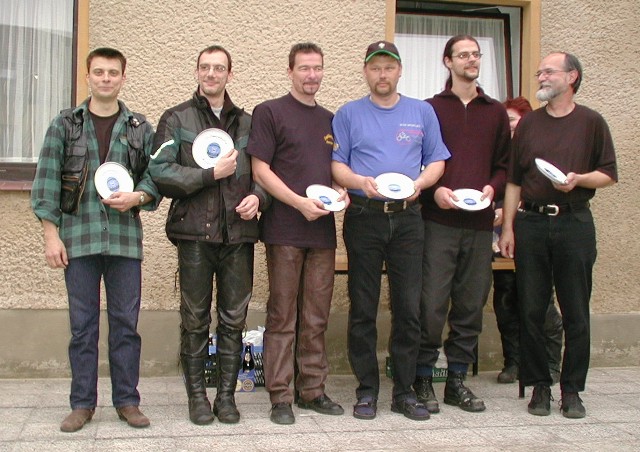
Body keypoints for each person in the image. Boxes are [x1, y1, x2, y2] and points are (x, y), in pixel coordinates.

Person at [31, 47, 158, 432]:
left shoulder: (140, 128)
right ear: (88, 77)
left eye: (113, 72)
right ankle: (82, 403)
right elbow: (46, 181)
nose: (106, 78)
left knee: (126, 326)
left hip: (124, 241)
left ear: (123, 77)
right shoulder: (65, 125)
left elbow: (156, 176)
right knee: (82, 327)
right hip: (79, 240)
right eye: (99, 72)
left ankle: (127, 401)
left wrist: (138, 197)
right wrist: (51, 236)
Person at [148, 45, 269, 425]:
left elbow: (266, 172)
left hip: (238, 235)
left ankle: (227, 398)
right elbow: (160, 172)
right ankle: (198, 398)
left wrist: (259, 197)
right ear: (197, 72)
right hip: (194, 236)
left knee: (234, 319)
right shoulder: (176, 118)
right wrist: (207, 175)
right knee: (195, 319)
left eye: (219, 68)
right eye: (205, 67)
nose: (212, 74)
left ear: (230, 74)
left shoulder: (249, 123)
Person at [332, 41, 450, 421]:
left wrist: (420, 184)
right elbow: (337, 165)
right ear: (366, 72)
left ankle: (404, 391)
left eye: (388, 67)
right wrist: (358, 182)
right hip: (364, 217)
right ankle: (367, 390)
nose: (382, 74)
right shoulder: (348, 113)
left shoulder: (422, 112)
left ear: (400, 71)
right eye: (375, 67)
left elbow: (436, 161)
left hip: (408, 219)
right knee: (363, 308)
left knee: (409, 308)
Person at [499, 52, 617, 418]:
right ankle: (539, 386)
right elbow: (514, 180)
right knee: (531, 308)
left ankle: (572, 390)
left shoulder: (591, 122)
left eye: (549, 71)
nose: (541, 77)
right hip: (532, 224)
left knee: (576, 311)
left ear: (571, 76)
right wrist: (508, 228)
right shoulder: (530, 124)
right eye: (540, 72)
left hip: (574, 223)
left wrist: (580, 180)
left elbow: (608, 174)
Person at [248, 42, 346, 425]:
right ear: (289, 71)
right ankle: (280, 396)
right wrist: (298, 203)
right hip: (285, 229)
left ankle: (312, 390)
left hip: (322, 232)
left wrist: (341, 192)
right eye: (304, 68)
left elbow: (334, 169)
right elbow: (261, 171)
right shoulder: (270, 112)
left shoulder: (330, 119)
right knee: (283, 316)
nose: (311, 75)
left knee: (316, 316)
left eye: (317, 68)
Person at [415, 35, 510, 414]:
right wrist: (433, 190)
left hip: (479, 224)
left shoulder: (496, 111)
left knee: (470, 306)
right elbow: (416, 161)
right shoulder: (430, 109)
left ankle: (456, 381)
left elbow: (504, 165)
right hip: (437, 222)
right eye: (463, 55)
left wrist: (493, 188)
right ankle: (423, 377)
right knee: (431, 305)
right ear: (448, 61)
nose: (471, 60)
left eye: (476, 54)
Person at [492, 96, 563, 385]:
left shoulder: (541, 149)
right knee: (505, 298)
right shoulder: (499, 153)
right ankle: (514, 361)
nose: (510, 127)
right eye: (506, 122)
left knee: (541, 299)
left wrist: (513, 210)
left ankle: (550, 363)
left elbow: (545, 189)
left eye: (513, 120)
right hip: (501, 237)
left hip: (536, 230)